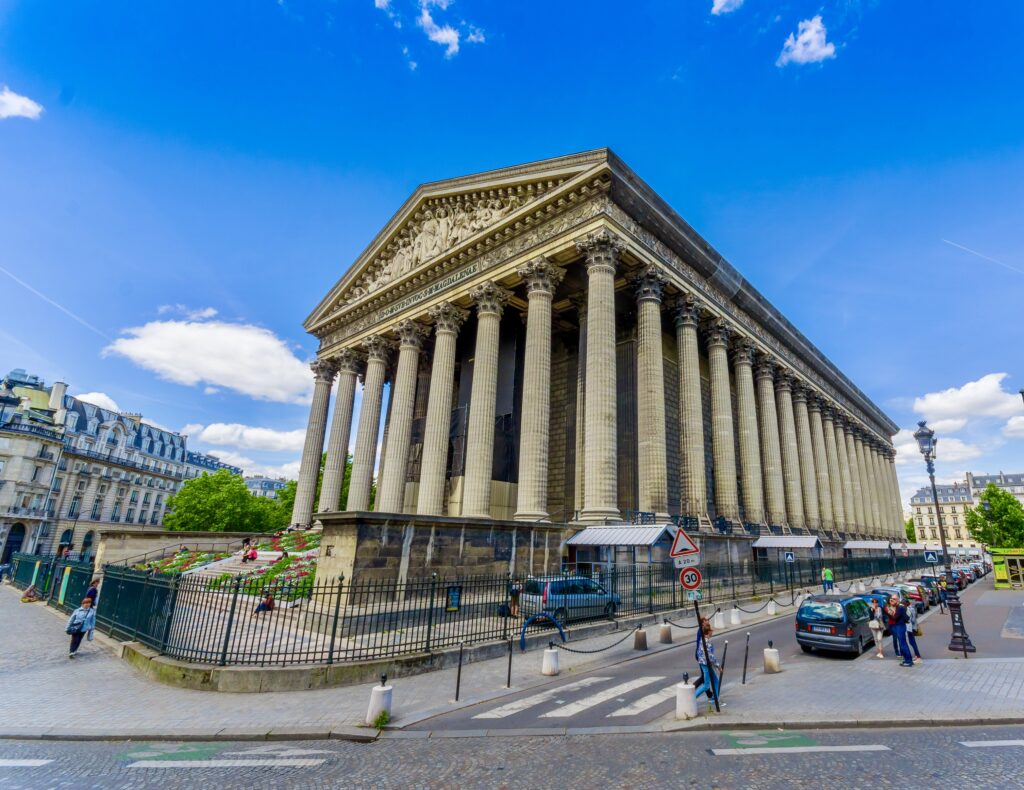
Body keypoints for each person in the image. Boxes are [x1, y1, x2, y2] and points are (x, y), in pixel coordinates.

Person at [693, 617, 722, 705]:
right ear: (708, 632)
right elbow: (711, 657)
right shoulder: (707, 643)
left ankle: (715, 698)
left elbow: (699, 652)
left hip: (703, 663)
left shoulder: (702, 640)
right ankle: (692, 697)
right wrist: (718, 666)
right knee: (706, 685)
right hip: (706, 664)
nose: (712, 632)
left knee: (715, 680)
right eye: (711, 630)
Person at [886, 596, 914, 667]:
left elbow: (895, 617)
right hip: (900, 626)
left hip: (900, 626)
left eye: (894, 599)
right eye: (891, 599)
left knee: (903, 644)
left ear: (897, 600)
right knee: (902, 644)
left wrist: (890, 612)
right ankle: (907, 659)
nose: (892, 600)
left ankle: (908, 661)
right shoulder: (899, 607)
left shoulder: (900, 608)